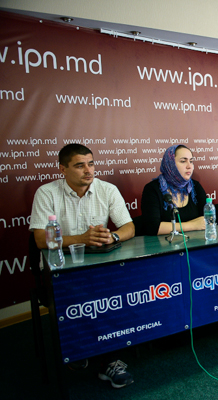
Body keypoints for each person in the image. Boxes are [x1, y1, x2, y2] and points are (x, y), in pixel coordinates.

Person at [29, 143, 135, 389]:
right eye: (79, 165)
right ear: (62, 169)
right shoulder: (46, 193)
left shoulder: (107, 189)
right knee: (81, 295)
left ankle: (109, 360)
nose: (88, 170)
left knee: (115, 291)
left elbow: (129, 227)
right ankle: (78, 347)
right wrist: (81, 239)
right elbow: (40, 239)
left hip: (99, 268)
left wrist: (113, 237)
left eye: (91, 164)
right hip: (60, 271)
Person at [140, 145, 207, 235]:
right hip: (165, 242)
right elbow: (153, 227)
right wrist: (193, 225)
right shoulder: (152, 189)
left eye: (191, 161)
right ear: (170, 164)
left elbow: (208, 218)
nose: (189, 166)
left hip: (196, 240)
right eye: (183, 161)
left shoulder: (195, 186)